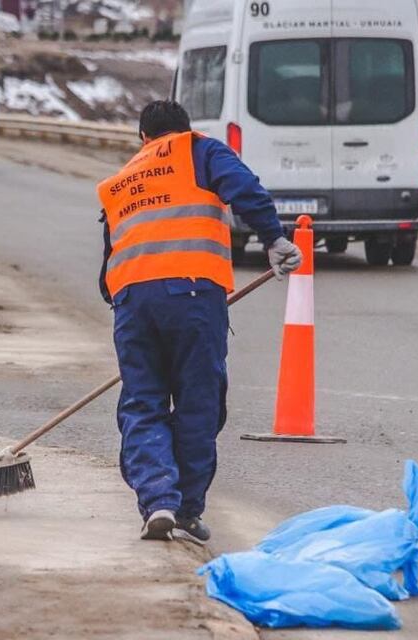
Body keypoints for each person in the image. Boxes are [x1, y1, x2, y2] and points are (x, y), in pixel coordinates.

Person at [96, 100, 302, 543]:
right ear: (184, 129)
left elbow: (108, 259)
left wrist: (132, 309)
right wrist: (273, 238)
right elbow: (244, 187)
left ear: (143, 138)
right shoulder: (198, 149)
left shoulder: (121, 179)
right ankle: (187, 507)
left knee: (143, 402)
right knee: (197, 401)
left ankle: (158, 501)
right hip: (191, 296)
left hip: (131, 302)